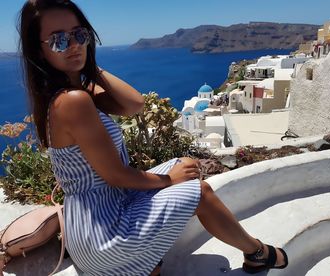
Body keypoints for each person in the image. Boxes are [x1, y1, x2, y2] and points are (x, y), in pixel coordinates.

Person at [18, 0, 288, 275]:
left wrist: (90, 68)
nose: (73, 45)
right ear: (38, 52)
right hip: (103, 233)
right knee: (199, 192)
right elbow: (116, 175)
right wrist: (171, 180)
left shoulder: (75, 91)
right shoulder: (73, 101)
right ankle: (257, 253)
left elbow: (134, 104)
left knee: (185, 164)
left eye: (79, 35)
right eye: (58, 40)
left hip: (105, 210)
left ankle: (146, 263)